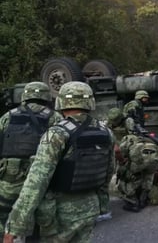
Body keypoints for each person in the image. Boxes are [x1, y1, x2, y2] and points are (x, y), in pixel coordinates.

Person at [3, 81, 115, 243]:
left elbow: (36, 182)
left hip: (58, 214)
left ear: (61, 101)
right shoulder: (106, 132)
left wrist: (15, 225)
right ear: (90, 101)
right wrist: (102, 205)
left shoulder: (57, 134)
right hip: (89, 208)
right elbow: (108, 172)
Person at [0, 82, 63, 237]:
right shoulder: (55, 117)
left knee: (3, 214)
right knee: (39, 216)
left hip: (8, 178)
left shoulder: (8, 116)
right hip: (40, 180)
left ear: (25, 95)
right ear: (47, 96)